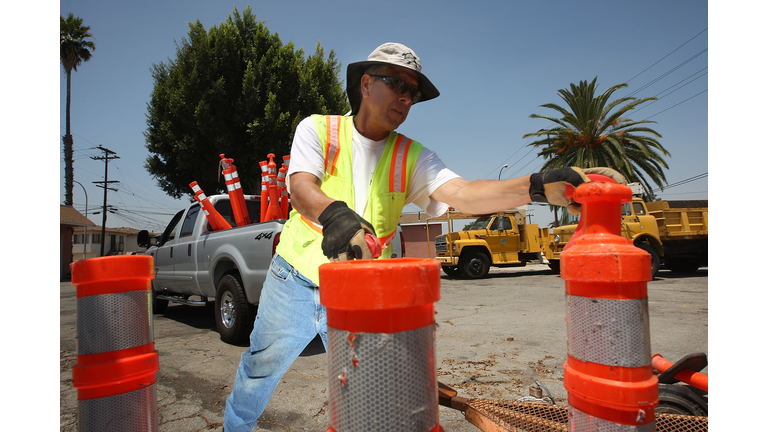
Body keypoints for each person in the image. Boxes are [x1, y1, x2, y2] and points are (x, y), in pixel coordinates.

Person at [223, 42, 622, 431]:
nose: (406, 99)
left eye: (412, 92)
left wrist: (536, 186)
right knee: (260, 368)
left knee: (370, 390)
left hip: (361, 293)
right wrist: (336, 216)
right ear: (365, 84)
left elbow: (464, 192)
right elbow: (301, 188)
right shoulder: (319, 129)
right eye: (396, 84)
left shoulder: (413, 156)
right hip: (293, 279)